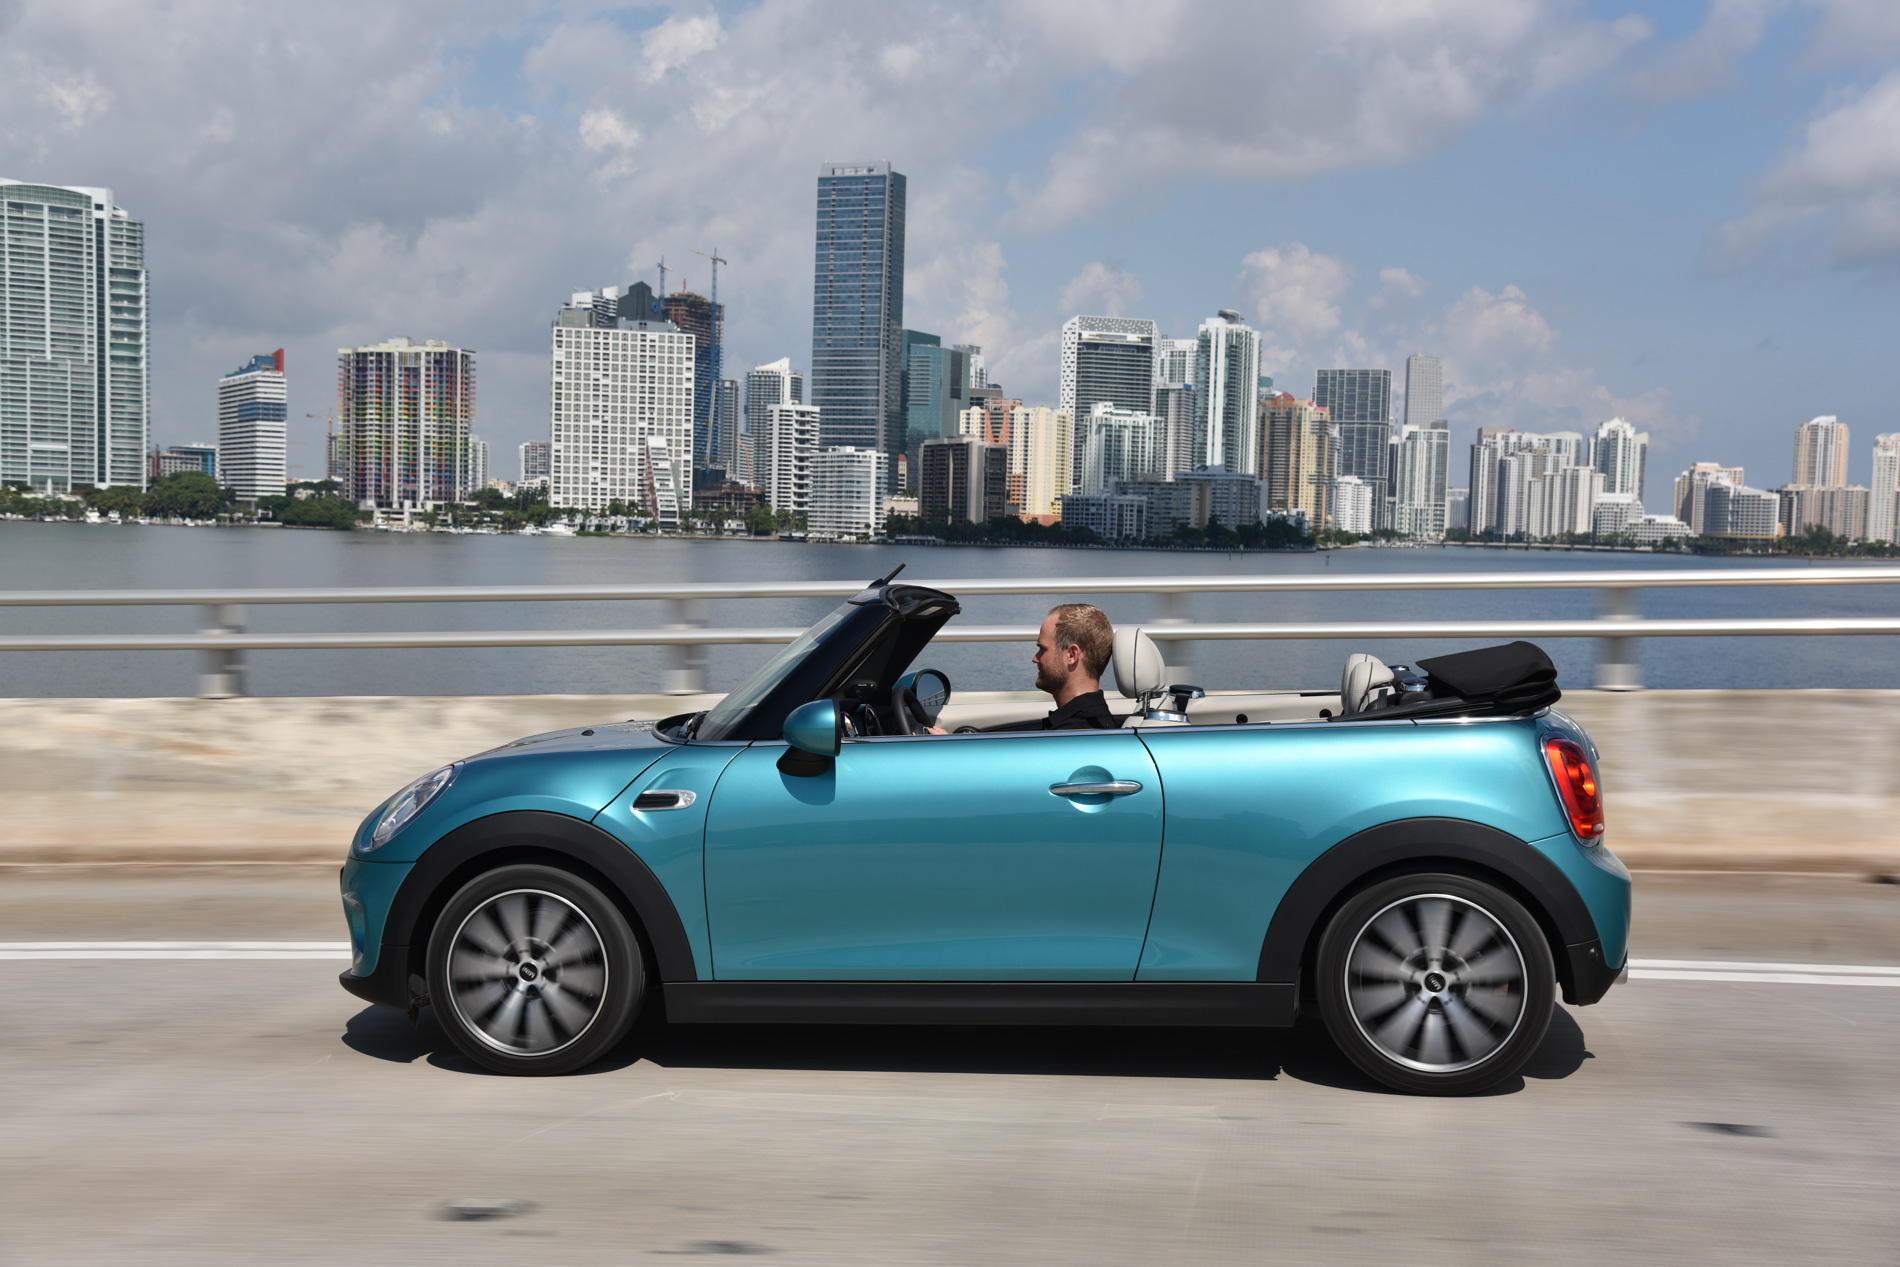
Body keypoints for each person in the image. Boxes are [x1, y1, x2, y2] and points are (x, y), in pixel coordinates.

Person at [989, 602, 1120, 731]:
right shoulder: (1093, 724)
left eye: (1043, 649)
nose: (1035, 658)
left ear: (1072, 655)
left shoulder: (1072, 735)